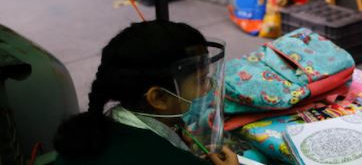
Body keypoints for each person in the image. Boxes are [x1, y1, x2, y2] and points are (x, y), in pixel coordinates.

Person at [53, 21, 238, 165]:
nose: (209, 87)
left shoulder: (92, 132)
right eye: (200, 81)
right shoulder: (174, 161)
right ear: (158, 98)